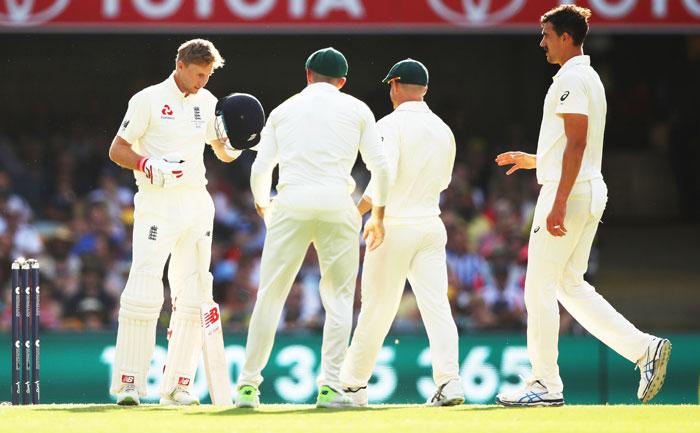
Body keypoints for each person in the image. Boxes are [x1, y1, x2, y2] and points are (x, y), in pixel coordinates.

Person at [494, 5, 670, 406]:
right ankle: (644, 350)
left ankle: (544, 384)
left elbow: (576, 144)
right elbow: (575, 147)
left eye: (547, 35)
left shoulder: (572, 79)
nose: (542, 43)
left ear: (567, 38)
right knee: (569, 286)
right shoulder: (585, 77)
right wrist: (536, 160)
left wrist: (557, 202)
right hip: (585, 187)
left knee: (538, 285)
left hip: (569, 192)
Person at [236, 47, 390, 409]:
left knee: (270, 296)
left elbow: (261, 170)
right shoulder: (357, 109)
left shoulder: (283, 110)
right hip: (339, 204)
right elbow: (381, 169)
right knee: (337, 300)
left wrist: (263, 206)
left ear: (307, 74)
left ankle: (247, 386)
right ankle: (330, 388)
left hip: (291, 201)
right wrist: (373, 212)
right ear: (342, 82)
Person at [108, 39, 242, 406]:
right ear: (181, 64)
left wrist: (238, 143)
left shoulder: (209, 101)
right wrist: (148, 164)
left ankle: (179, 384)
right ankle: (130, 383)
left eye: (208, 75)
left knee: (195, 291)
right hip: (157, 200)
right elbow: (117, 149)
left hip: (196, 200)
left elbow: (222, 151)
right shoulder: (147, 99)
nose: (202, 81)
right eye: (199, 74)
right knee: (145, 284)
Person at [338, 59, 464, 407]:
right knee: (437, 307)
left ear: (394, 85)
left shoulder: (388, 125)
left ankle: (352, 386)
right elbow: (443, 183)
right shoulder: (443, 129)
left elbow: (384, 176)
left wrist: (358, 214)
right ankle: (449, 381)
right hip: (430, 224)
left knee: (377, 308)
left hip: (393, 225)